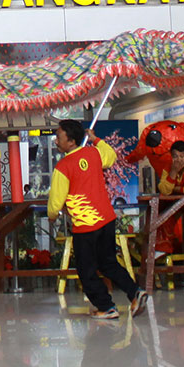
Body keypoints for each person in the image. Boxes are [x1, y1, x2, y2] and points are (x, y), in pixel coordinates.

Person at [47, 119, 147, 319]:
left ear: (72, 140)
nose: (55, 140)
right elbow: (110, 157)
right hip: (107, 220)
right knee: (108, 263)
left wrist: (52, 215)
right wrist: (96, 140)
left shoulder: (63, 166)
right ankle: (134, 291)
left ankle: (106, 306)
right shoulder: (93, 153)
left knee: (86, 270)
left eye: (59, 136)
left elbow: (56, 201)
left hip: (86, 226)